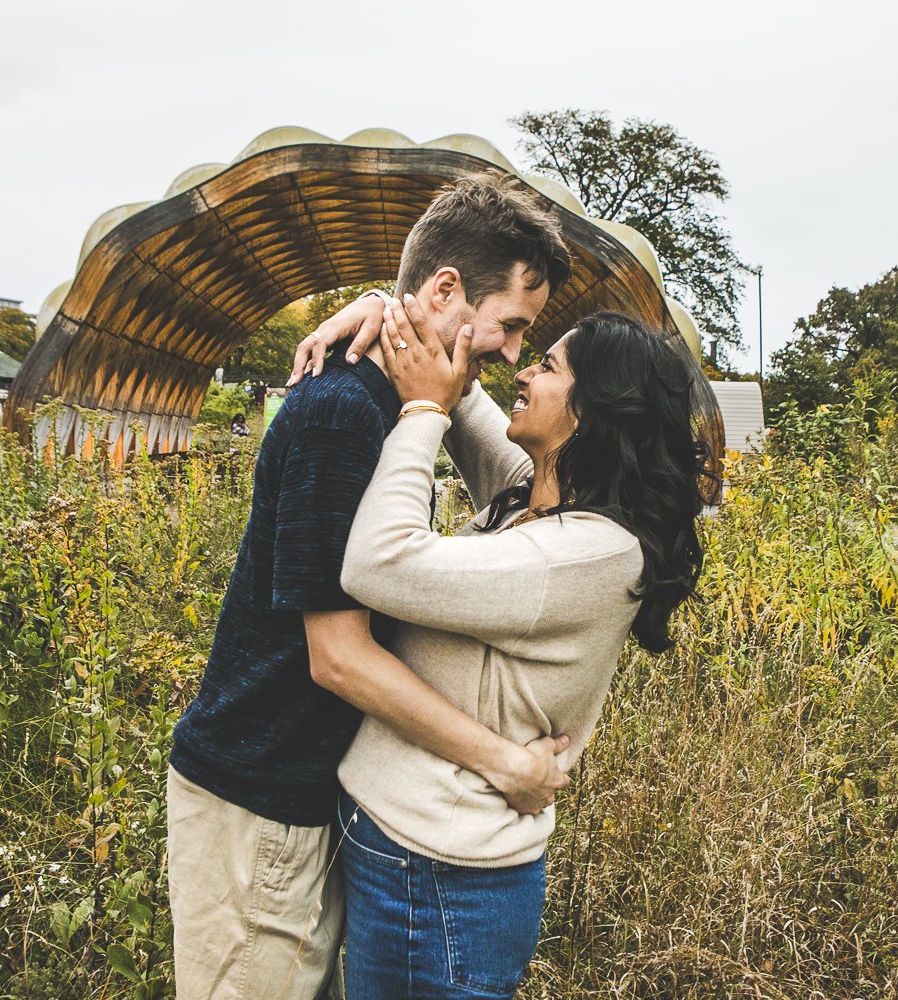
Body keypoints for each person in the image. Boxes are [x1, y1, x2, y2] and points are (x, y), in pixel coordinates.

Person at [166, 174, 574, 1000]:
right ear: (446, 290)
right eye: (510, 326)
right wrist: (503, 762)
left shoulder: (400, 403)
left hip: (311, 795)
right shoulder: (343, 412)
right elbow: (337, 658)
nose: (511, 352)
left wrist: (385, 310)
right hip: (261, 794)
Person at [295, 295, 711, 997]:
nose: (523, 370)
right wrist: (377, 306)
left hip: (441, 879)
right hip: (407, 852)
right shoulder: (535, 493)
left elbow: (376, 563)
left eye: (547, 366)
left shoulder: (583, 554)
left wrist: (422, 413)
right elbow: (452, 378)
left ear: (594, 410)